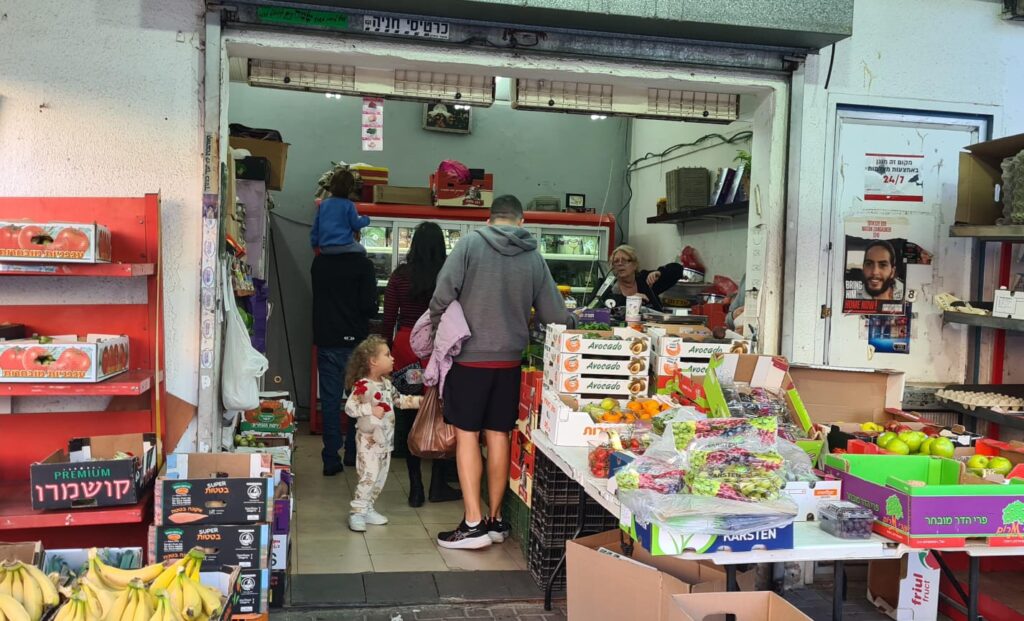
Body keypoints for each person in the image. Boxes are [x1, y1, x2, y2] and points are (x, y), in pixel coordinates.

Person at [429, 195, 576, 550]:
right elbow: (552, 313)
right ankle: (494, 520)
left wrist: (439, 327)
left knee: (467, 436)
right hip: (510, 360)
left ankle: (473, 523)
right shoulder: (532, 256)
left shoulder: (469, 245)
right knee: (499, 436)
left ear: (490, 218)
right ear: (521, 222)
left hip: (469, 358)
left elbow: (442, 294)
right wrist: (576, 323)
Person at [381, 221, 461, 507]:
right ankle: (438, 484)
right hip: (439, 347)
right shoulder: (448, 275)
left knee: (409, 411)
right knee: (441, 411)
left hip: (406, 345)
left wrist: (385, 351)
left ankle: (416, 487)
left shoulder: (400, 275)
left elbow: (388, 317)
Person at [311, 193, 378, 476]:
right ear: (352, 229)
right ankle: (352, 452)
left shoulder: (319, 264)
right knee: (358, 400)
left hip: (326, 339)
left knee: (329, 401)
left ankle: (330, 458)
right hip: (356, 343)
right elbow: (369, 306)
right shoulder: (363, 265)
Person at [344, 335, 423, 532]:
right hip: (368, 442)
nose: (393, 358)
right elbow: (350, 408)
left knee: (379, 478)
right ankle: (357, 511)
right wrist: (370, 410)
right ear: (373, 361)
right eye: (387, 355)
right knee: (368, 476)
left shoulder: (387, 384)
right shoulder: (363, 386)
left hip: (385, 442)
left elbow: (400, 401)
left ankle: (368, 507)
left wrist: (422, 402)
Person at [593, 245, 684, 312]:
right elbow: (590, 309)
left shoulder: (646, 280)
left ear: (635, 264)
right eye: (615, 261)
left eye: (624, 260)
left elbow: (678, 270)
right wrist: (631, 300)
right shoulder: (606, 285)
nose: (620, 264)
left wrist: (660, 273)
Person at [310, 170, 369, 254]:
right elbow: (355, 224)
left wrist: (315, 246)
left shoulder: (323, 204)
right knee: (363, 251)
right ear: (350, 188)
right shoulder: (349, 205)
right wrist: (366, 219)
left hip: (325, 249)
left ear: (331, 185)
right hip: (344, 246)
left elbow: (315, 229)